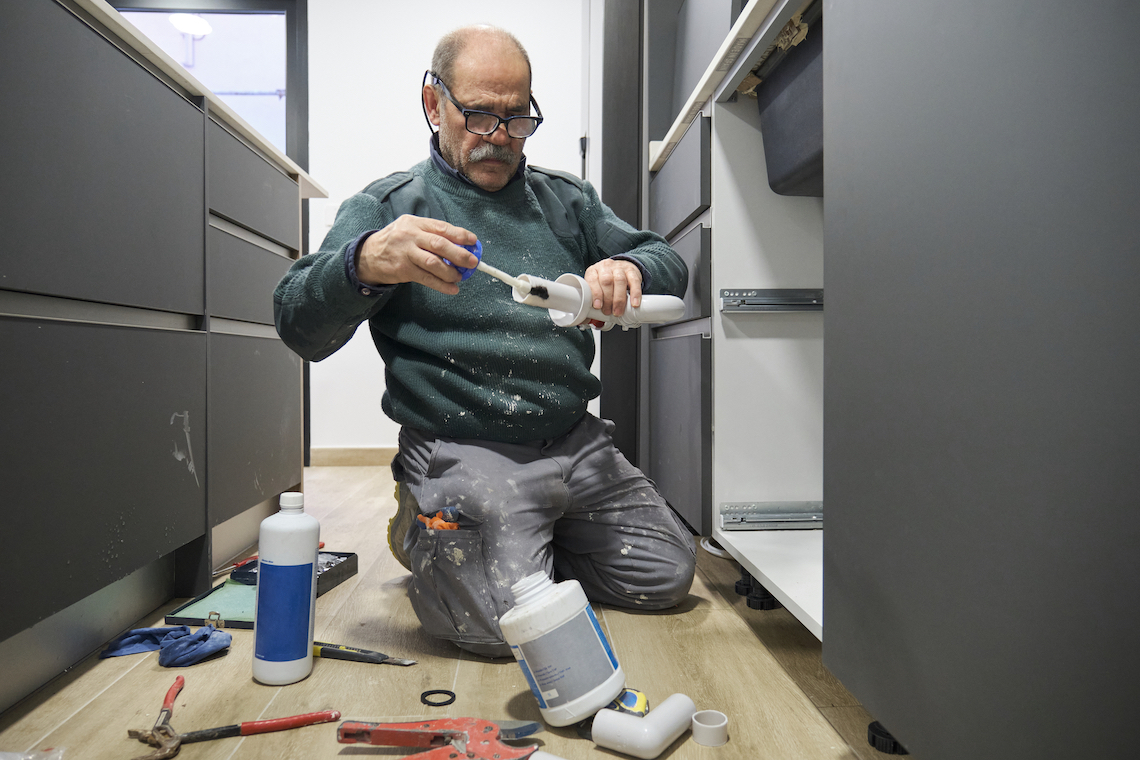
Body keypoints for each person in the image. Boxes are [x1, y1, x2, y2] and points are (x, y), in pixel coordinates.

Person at [274, 25, 696, 657]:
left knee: (664, 574)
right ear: (433, 103)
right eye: (478, 115)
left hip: (574, 441)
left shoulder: (567, 200)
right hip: (462, 445)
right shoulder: (389, 207)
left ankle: (516, 542)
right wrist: (362, 263)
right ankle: (429, 521)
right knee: (497, 632)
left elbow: (663, 258)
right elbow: (297, 323)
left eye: (517, 116)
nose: (499, 137)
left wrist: (630, 269)